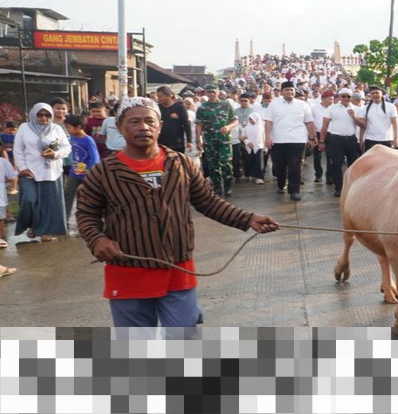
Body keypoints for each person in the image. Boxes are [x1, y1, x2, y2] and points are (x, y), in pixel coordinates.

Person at [76, 97, 279, 338]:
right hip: (127, 271)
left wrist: (247, 219)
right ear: (119, 127)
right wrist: (97, 240)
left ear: (160, 126)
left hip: (177, 269)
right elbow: (86, 214)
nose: (143, 127)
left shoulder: (181, 164)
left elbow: (207, 202)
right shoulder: (103, 172)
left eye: (150, 121)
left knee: (183, 338)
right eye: (134, 122)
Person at [14, 103, 71, 242]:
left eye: (47, 115)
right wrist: (22, 168)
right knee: (29, 200)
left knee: (49, 203)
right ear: (34, 114)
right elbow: (18, 149)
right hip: (29, 171)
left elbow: (67, 147)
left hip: (51, 171)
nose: (43, 118)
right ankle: (33, 226)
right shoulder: (24, 128)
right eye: (40, 114)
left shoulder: (56, 129)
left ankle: (47, 231)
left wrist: (55, 154)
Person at [264, 81, 316, 201]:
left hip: (297, 140)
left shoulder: (302, 104)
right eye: (286, 90)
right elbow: (268, 122)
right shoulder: (274, 104)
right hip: (278, 141)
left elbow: (309, 122)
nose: (289, 92)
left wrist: (312, 137)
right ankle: (281, 184)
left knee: (295, 166)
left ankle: (294, 191)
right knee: (280, 167)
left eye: (291, 90)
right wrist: (267, 137)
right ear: (282, 92)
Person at [195, 84, 239, 197]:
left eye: (214, 92)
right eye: (209, 92)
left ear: (218, 92)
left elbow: (235, 120)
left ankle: (228, 186)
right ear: (206, 93)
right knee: (213, 165)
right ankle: (217, 187)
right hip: (209, 140)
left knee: (225, 162)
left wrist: (228, 127)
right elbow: (199, 124)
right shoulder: (202, 107)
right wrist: (198, 140)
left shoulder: (226, 105)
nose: (212, 94)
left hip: (224, 140)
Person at [319, 88, 362, 197]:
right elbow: (325, 126)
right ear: (339, 97)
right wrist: (321, 141)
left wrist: (354, 117)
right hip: (335, 139)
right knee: (336, 164)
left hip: (351, 139)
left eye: (348, 96)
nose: (346, 98)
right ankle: (339, 187)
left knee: (352, 164)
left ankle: (351, 186)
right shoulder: (331, 108)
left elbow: (363, 125)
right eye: (343, 96)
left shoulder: (357, 109)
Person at [63, 114, 100, 222]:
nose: (67, 130)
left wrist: (88, 172)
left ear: (78, 127)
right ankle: (64, 220)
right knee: (67, 194)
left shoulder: (88, 140)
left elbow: (95, 158)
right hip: (74, 173)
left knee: (86, 197)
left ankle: (88, 221)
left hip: (86, 175)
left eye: (68, 127)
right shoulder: (72, 138)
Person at [356, 86, 398, 151]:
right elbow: (363, 125)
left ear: (382, 94)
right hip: (370, 139)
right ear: (370, 95)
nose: (375, 95)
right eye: (372, 93)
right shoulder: (365, 108)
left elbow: (394, 123)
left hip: (386, 139)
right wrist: (361, 139)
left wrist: (395, 138)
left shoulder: (391, 106)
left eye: (377, 93)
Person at [157, 86, 193, 154]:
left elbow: (186, 124)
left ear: (168, 96)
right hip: (161, 143)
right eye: (158, 96)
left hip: (177, 143)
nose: (158, 98)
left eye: (160, 96)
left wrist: (189, 141)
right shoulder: (158, 108)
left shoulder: (180, 108)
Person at [311, 90, 334, 183]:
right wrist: (312, 136)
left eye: (332, 99)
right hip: (317, 133)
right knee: (317, 156)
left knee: (330, 156)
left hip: (331, 134)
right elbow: (311, 122)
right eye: (329, 99)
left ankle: (330, 176)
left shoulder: (333, 108)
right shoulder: (315, 108)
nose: (331, 101)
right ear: (323, 99)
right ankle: (318, 175)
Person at [241, 112, 265, 184]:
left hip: (258, 147)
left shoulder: (261, 128)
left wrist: (265, 148)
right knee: (249, 161)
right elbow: (243, 137)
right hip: (249, 148)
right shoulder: (246, 128)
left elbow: (263, 138)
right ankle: (250, 175)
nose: (251, 121)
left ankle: (259, 177)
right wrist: (248, 143)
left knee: (258, 163)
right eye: (250, 119)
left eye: (252, 119)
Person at [0, 145, 17, 247]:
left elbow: (11, 175)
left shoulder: (3, 161)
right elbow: (12, 175)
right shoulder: (3, 161)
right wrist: (16, 167)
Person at [1, 122, 18, 195]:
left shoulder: (17, 137)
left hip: (14, 155)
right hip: (4, 154)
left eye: (14, 130)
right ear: (6, 129)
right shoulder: (2, 136)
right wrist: (4, 149)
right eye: (10, 130)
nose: (12, 132)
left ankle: (13, 188)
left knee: (14, 170)